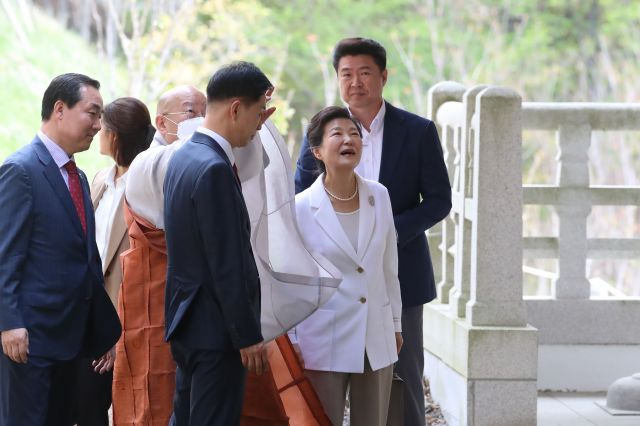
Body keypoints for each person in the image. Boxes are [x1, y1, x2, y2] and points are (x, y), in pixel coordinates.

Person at [294, 38, 452, 426]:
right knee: (327, 391)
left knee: (403, 378)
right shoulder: (321, 132)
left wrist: (390, 232)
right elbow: (299, 196)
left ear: (383, 76)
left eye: (365, 73)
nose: (356, 82)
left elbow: (439, 199)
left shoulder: (417, 131)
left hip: (400, 275)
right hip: (331, 284)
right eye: (346, 74)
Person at [0, 73, 121, 426]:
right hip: (30, 341)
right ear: (59, 109)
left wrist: (102, 331)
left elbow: (87, 259)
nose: (99, 126)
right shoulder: (20, 171)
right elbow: (6, 255)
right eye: (92, 113)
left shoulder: (78, 176)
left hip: (70, 341)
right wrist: (9, 324)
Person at [163, 61, 274, 425]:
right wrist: (246, 335)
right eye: (259, 113)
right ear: (236, 108)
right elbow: (226, 261)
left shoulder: (184, 157)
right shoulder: (213, 168)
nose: (261, 124)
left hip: (189, 321)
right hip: (216, 331)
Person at [292, 106, 402, 425]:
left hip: (376, 332)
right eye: (337, 134)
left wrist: (395, 323)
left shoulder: (379, 196)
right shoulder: (300, 207)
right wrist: (294, 339)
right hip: (323, 336)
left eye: (354, 133)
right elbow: (293, 281)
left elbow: (388, 267)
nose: (348, 139)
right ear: (317, 150)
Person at [110, 87, 205, 426]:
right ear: (163, 123)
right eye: (193, 113)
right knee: (156, 395)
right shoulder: (153, 161)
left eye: (209, 113)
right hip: (157, 294)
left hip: (193, 299)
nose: (204, 122)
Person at [74, 97, 154, 425]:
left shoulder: (144, 184)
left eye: (102, 126)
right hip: (88, 315)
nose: (96, 130)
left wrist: (113, 334)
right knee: (82, 405)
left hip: (124, 316)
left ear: (115, 136)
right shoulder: (99, 180)